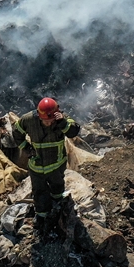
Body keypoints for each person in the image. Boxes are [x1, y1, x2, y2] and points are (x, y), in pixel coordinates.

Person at [14, 97, 80, 234]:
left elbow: (74, 131)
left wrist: (62, 122)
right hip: (37, 166)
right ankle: (42, 216)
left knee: (57, 187)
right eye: (46, 121)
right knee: (39, 191)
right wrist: (27, 149)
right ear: (39, 116)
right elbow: (16, 132)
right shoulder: (28, 120)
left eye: (51, 121)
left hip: (56, 165)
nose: (49, 123)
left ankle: (59, 203)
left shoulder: (62, 120)